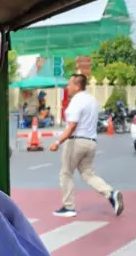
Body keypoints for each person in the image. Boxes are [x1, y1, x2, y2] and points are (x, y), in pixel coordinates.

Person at [48, 73, 123, 218]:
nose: (67, 87)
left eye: (69, 84)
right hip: (91, 142)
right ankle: (111, 194)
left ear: (77, 86)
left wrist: (58, 142)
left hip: (76, 142)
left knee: (66, 173)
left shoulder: (77, 101)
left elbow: (72, 126)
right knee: (88, 174)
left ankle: (68, 207)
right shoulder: (92, 100)